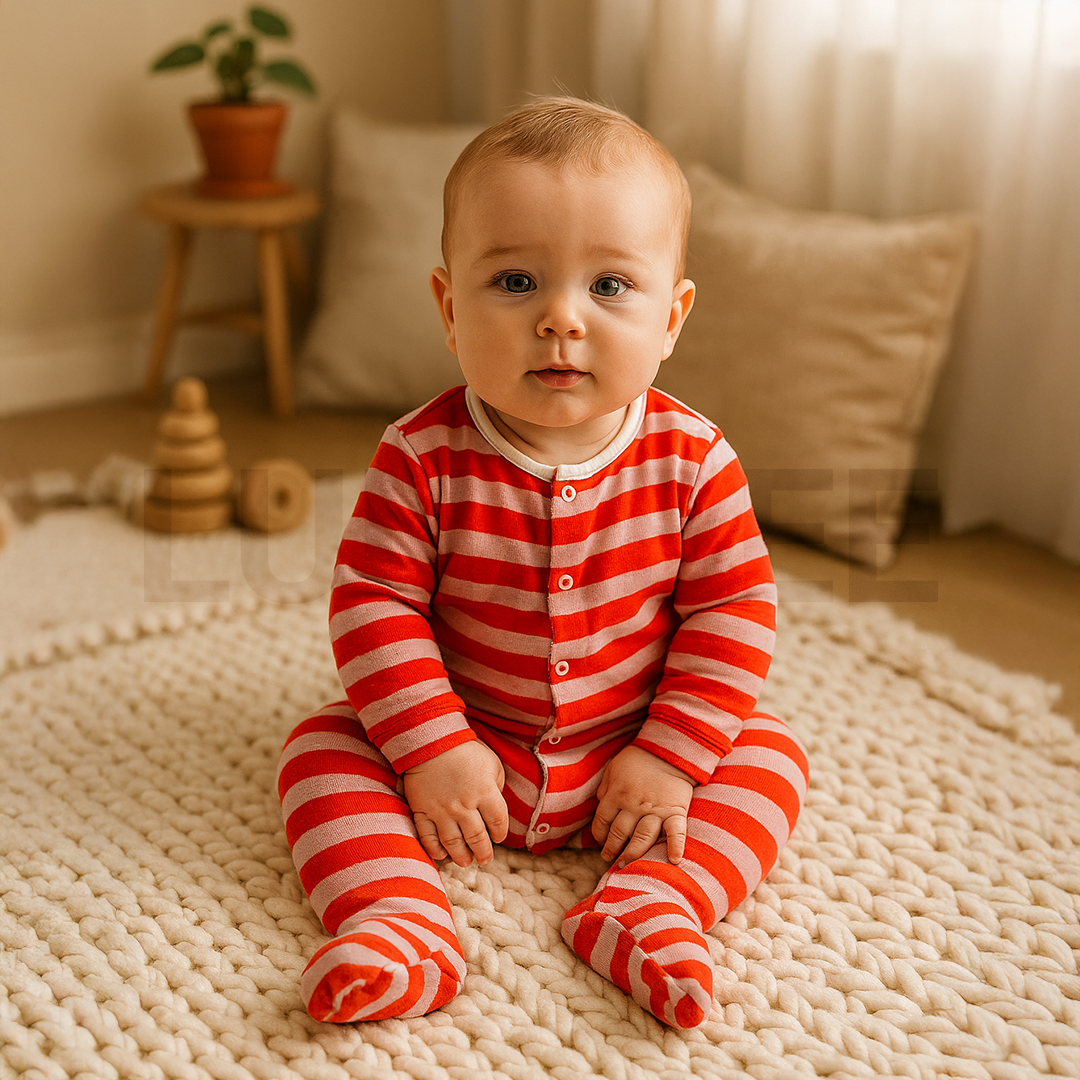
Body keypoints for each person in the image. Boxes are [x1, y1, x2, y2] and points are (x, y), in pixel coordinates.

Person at [277, 97, 809, 1030]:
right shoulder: (420, 456)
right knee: (320, 749)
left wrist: (671, 758)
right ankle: (398, 919)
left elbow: (733, 614)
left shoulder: (694, 461)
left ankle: (653, 905)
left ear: (672, 317)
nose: (561, 319)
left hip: (628, 759)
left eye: (609, 287)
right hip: (463, 744)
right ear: (450, 306)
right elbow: (375, 607)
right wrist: (432, 748)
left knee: (769, 752)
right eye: (516, 282)